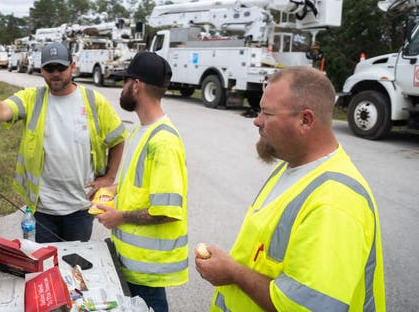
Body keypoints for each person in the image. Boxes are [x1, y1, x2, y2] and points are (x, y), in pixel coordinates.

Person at [195, 66, 386, 312]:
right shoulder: (293, 166)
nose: (256, 121)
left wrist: (233, 273)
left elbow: (307, 307)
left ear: (305, 120)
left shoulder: (335, 203)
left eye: (267, 113)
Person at [0, 42, 128, 243]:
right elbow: (1, 109)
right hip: (43, 210)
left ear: (73, 67)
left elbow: (118, 138)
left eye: (61, 67)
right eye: (49, 68)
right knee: (44, 265)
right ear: (41, 70)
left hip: (80, 207)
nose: (55, 73)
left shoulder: (93, 101)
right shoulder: (32, 98)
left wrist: (109, 177)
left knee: (74, 266)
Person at [95, 52, 188, 312]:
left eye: (125, 82)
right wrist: (109, 190)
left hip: (147, 271)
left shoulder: (164, 142)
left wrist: (119, 217)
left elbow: (168, 212)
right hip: (132, 264)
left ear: (136, 85)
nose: (122, 88)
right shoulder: (141, 131)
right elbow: (138, 187)